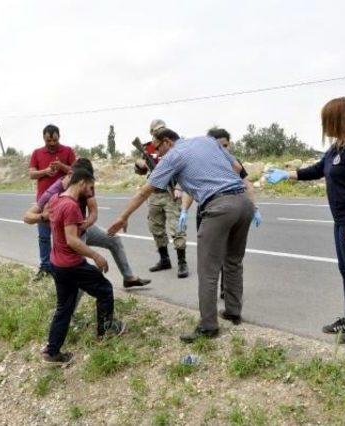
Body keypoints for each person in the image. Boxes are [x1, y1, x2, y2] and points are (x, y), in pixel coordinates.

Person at [109, 128, 259, 343]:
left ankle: (208, 326)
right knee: (233, 261)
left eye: (158, 147)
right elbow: (237, 167)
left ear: (167, 141)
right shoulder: (206, 141)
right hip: (243, 202)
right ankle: (233, 312)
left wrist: (123, 217)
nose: (158, 154)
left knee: (208, 269)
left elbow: (145, 191)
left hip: (218, 207)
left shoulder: (173, 156)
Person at [265, 97, 345, 344]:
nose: (324, 126)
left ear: (338, 120)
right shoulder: (337, 148)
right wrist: (287, 175)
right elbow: (317, 170)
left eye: (326, 120)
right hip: (341, 220)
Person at [24, 158, 151, 288]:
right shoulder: (54, 191)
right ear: (71, 174)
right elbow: (27, 217)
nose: (88, 188)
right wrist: (43, 217)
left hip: (83, 228)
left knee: (114, 240)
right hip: (70, 235)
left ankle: (128, 278)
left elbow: (93, 212)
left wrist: (86, 224)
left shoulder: (86, 183)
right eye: (84, 182)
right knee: (81, 273)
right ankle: (71, 305)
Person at [41, 168, 125, 364]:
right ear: (82, 182)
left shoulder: (56, 199)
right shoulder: (71, 206)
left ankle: (52, 351)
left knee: (65, 307)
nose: (92, 191)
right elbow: (72, 240)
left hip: (57, 263)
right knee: (104, 289)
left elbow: (57, 228)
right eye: (91, 186)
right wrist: (96, 256)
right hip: (71, 264)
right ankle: (105, 333)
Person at [179, 128, 261, 300]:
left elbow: (247, 184)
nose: (224, 149)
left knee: (230, 256)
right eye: (220, 145)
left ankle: (226, 290)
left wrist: (255, 208)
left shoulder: (234, 163)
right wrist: (184, 211)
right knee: (210, 258)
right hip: (208, 212)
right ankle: (210, 296)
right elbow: (190, 190)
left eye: (226, 145)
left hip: (230, 210)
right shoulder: (200, 161)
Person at [133, 119, 189, 278]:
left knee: (177, 229)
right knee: (156, 227)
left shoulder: (171, 145)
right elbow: (140, 172)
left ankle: (182, 262)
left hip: (171, 192)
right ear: (151, 132)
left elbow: (183, 168)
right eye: (155, 130)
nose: (157, 132)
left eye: (161, 129)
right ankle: (164, 259)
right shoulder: (147, 148)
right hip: (154, 193)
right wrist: (139, 164)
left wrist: (179, 186)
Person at [29, 124, 77, 281]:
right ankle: (45, 266)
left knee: (62, 236)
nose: (52, 143)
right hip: (43, 202)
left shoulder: (68, 151)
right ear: (44, 138)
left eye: (55, 140)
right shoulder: (37, 153)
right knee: (44, 237)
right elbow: (32, 174)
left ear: (59, 137)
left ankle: (60, 267)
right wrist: (45, 171)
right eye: (48, 140)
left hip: (64, 201)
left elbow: (77, 173)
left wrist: (62, 166)